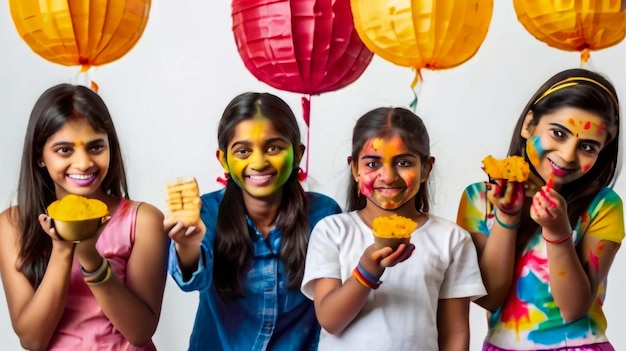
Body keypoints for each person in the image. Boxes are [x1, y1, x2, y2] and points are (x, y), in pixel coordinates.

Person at [456, 68, 623, 350]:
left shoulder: (603, 205)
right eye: (558, 133)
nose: (568, 155)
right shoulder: (479, 200)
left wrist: (557, 233)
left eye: (588, 147)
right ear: (529, 124)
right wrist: (506, 219)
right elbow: (488, 298)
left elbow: (574, 308)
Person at [166, 92, 342, 351]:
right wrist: (186, 245)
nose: (258, 163)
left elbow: (337, 302)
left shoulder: (323, 213)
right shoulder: (206, 212)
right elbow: (191, 280)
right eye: (243, 151)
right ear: (224, 160)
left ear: (298, 153)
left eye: (273, 148)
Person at [301, 107, 486, 351]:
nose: (388, 176)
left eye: (403, 162)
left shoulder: (451, 239)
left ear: (425, 169)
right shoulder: (332, 231)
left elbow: (455, 332)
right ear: (355, 169)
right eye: (373, 163)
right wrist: (366, 272)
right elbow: (330, 320)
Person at [0, 84, 169, 350]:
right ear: (39, 156)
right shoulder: (13, 224)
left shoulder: (144, 220)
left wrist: (90, 258)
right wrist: (63, 249)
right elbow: (32, 340)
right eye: (64, 150)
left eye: (95, 147)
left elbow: (140, 331)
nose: (83, 163)